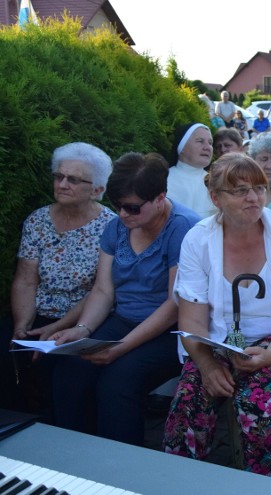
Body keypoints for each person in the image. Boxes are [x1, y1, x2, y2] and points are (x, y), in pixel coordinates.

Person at [163, 154, 271, 480]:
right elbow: (192, 319)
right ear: (216, 198)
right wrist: (207, 364)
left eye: (259, 188)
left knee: (254, 407)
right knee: (187, 411)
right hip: (214, 343)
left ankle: (269, 488)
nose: (254, 197)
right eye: (240, 190)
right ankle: (180, 485)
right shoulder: (198, 239)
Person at [50, 152, 201, 445]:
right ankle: (71, 455)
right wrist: (82, 331)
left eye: (132, 208)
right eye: (117, 205)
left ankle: (119, 468)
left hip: (173, 331)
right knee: (70, 368)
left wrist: (119, 348)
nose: (123, 215)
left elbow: (174, 305)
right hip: (124, 319)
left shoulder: (183, 228)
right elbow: (104, 290)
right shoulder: (118, 226)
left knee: (117, 382)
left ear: (160, 198)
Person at [2, 143, 116, 412]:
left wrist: (57, 328)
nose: (62, 184)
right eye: (59, 176)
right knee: (6, 353)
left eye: (73, 179)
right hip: (37, 314)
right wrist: (22, 326)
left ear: (97, 190)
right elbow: (26, 280)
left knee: (66, 370)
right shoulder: (38, 220)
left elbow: (100, 290)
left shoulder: (110, 227)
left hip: (84, 319)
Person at [167, 123, 216, 217]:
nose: (207, 147)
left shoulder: (217, 182)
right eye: (200, 141)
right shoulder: (165, 179)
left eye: (210, 143)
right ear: (182, 147)